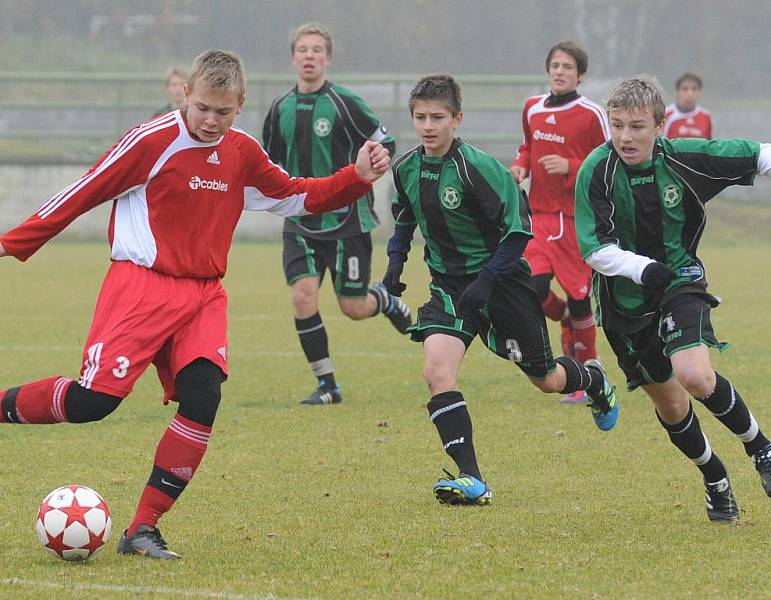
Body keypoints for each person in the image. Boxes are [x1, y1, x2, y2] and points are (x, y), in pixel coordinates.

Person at [0, 49, 390, 558]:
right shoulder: (151, 141)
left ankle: (142, 528)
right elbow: (82, 192)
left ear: (240, 106)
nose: (211, 120)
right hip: (141, 287)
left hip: (204, 296)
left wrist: (355, 177)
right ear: (186, 94)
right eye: (203, 107)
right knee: (92, 403)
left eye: (223, 112)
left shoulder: (243, 152)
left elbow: (297, 195)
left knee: (203, 396)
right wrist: (10, 243)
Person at [384, 74, 619, 507]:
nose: (428, 126)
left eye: (438, 117)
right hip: (450, 289)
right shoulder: (407, 168)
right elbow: (405, 218)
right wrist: (394, 264)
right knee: (436, 371)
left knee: (545, 379)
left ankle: (594, 378)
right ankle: (471, 478)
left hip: (503, 284)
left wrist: (487, 282)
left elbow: (517, 232)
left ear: (457, 119)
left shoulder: (479, 168)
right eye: (420, 117)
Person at [575, 75, 771, 523]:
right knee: (671, 406)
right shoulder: (596, 171)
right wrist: (642, 269)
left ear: (660, 126)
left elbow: (763, 154)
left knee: (694, 375)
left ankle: (760, 446)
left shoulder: (686, 161)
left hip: (679, 281)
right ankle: (714, 477)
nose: (624, 137)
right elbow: (595, 250)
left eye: (636, 126)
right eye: (616, 125)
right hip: (623, 303)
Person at [262, 22, 409, 406]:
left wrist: (378, 160)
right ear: (293, 57)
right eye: (303, 50)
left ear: (328, 58)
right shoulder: (280, 108)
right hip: (299, 220)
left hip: (346, 221)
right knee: (302, 296)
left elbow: (384, 140)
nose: (309, 56)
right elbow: (266, 162)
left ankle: (385, 300)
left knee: (354, 307)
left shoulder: (344, 102)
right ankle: (328, 385)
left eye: (316, 50)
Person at [509, 41, 609, 404]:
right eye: (555, 65)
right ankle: (566, 317)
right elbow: (527, 147)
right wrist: (521, 166)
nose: (560, 71)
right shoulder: (532, 107)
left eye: (568, 66)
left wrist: (572, 167)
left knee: (581, 299)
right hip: (538, 217)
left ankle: (587, 375)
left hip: (574, 220)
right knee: (531, 290)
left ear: (580, 74)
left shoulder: (591, 114)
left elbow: (608, 162)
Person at [663, 72, 712, 139]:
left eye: (694, 89)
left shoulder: (706, 116)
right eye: (685, 89)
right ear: (677, 91)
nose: (690, 93)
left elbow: (708, 145)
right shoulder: (665, 114)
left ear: (699, 92)